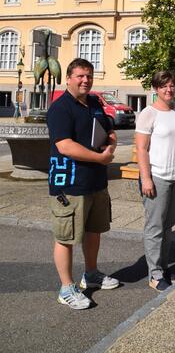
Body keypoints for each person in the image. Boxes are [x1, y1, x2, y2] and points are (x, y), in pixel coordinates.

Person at [47, 58, 119, 310]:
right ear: (68, 78)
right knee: (65, 237)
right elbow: (64, 145)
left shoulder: (95, 103)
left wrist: (110, 145)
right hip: (69, 184)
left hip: (95, 181)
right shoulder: (60, 108)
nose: (85, 80)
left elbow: (110, 130)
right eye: (80, 76)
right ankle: (66, 287)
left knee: (93, 230)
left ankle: (91, 274)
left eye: (88, 76)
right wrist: (100, 157)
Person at [135, 70, 175, 292]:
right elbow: (141, 148)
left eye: (172, 85)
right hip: (157, 177)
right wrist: (146, 178)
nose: (169, 89)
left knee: (168, 225)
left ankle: (163, 264)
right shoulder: (148, 113)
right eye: (164, 86)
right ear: (156, 88)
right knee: (155, 226)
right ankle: (155, 273)